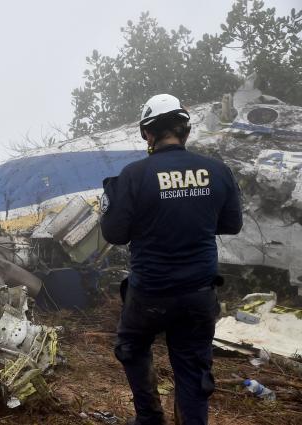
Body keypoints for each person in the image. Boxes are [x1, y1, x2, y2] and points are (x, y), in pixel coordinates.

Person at [99, 94, 243, 425]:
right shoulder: (217, 171)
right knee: (193, 367)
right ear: (185, 131)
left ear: (147, 133)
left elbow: (115, 234)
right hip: (198, 294)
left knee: (131, 345)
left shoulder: (134, 176)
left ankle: (150, 418)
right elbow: (231, 224)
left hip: (150, 293)